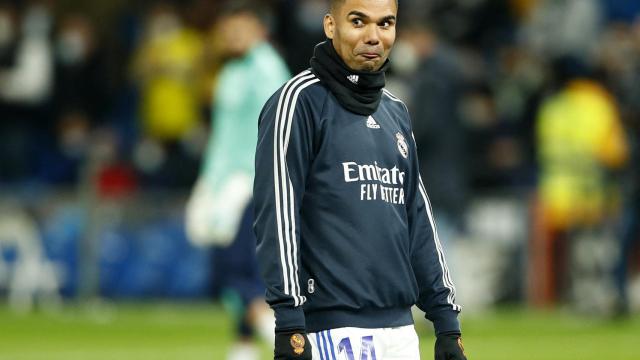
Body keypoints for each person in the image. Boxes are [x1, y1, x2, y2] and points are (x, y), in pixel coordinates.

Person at [253, 0, 467, 359]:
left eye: (385, 24)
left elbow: (418, 221)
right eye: (358, 22)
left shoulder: (395, 112)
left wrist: (446, 322)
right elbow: (277, 214)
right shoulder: (298, 102)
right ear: (330, 26)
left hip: (401, 333)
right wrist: (290, 321)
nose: (373, 36)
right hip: (329, 332)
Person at [185, 3, 291, 360]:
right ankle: (244, 343)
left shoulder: (267, 68)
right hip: (222, 179)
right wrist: (209, 182)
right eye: (228, 30)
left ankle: (278, 333)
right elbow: (223, 135)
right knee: (234, 265)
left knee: (235, 265)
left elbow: (278, 129)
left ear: (259, 29)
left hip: (250, 180)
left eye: (240, 29)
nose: (232, 36)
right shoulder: (232, 70)